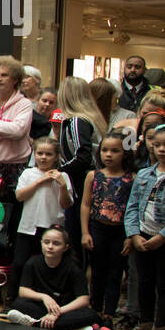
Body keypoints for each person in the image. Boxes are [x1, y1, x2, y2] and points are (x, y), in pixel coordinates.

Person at [122, 124, 165, 330]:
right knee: (144, 284)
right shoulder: (145, 174)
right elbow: (133, 207)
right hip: (143, 238)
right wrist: (134, 234)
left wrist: (164, 236)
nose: (162, 150)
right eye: (157, 145)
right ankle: (144, 327)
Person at [7, 136, 73, 305]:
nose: (43, 157)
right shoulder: (28, 173)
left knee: (50, 264)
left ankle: (50, 300)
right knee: (19, 263)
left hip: (52, 228)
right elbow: (19, 196)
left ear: (56, 156)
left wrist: (62, 185)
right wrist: (40, 181)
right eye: (40, 153)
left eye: (48, 154)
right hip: (28, 226)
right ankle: (11, 298)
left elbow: (66, 203)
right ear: (34, 154)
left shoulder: (63, 176)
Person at [79, 132, 133, 330]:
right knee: (96, 272)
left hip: (119, 231)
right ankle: (95, 312)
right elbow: (85, 204)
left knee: (115, 273)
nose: (109, 154)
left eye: (115, 150)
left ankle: (109, 314)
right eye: (105, 150)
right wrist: (85, 232)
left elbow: (132, 208)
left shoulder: (131, 178)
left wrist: (130, 235)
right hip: (97, 228)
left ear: (124, 153)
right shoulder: (93, 176)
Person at [2, 225, 97, 330]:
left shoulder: (74, 268)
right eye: (46, 242)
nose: (50, 247)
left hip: (65, 309)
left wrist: (57, 313)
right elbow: (23, 291)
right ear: (41, 243)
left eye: (56, 243)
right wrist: (44, 297)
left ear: (66, 247)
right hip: (42, 307)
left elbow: (84, 299)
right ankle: (70, 328)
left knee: (91, 314)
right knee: (18, 303)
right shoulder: (32, 263)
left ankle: (35, 323)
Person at [56, 77, 105, 252]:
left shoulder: (77, 121)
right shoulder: (90, 118)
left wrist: (58, 170)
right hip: (86, 184)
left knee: (76, 239)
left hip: (80, 185)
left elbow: (82, 157)